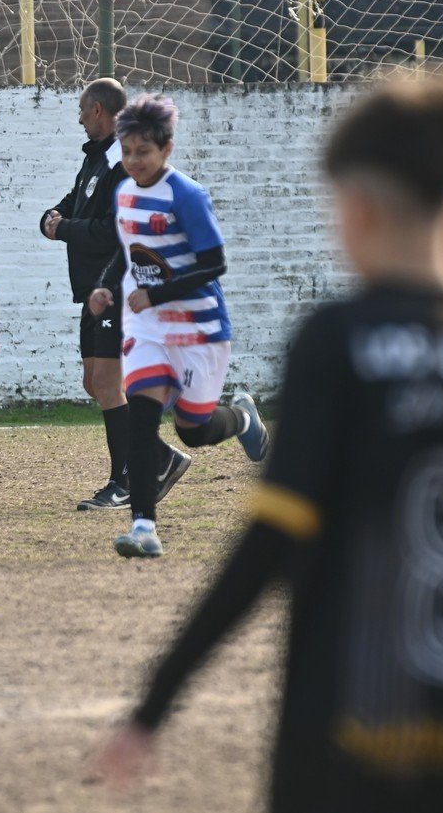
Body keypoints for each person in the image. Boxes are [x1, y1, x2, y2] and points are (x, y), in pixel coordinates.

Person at [97, 76, 443, 813]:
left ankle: (157, 503)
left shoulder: (338, 342)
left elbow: (267, 544)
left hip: (339, 738)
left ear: (354, 209)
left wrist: (155, 701)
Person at [87, 94, 267, 558]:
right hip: (148, 328)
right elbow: (128, 253)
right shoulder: (123, 191)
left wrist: (158, 293)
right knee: (142, 420)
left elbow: (214, 263)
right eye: (126, 152)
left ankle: (244, 419)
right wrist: (106, 287)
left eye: (142, 153)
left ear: (166, 149)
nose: (133, 161)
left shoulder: (186, 195)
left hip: (200, 328)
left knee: (193, 429)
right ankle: (144, 527)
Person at [43, 78, 136, 511]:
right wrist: (53, 216)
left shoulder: (123, 160)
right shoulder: (97, 158)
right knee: (93, 382)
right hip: (92, 290)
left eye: (82, 109)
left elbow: (115, 230)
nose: (79, 117)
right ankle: (152, 456)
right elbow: (80, 204)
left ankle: (127, 480)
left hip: (115, 287)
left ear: (98, 109)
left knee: (107, 383)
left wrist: (65, 229)